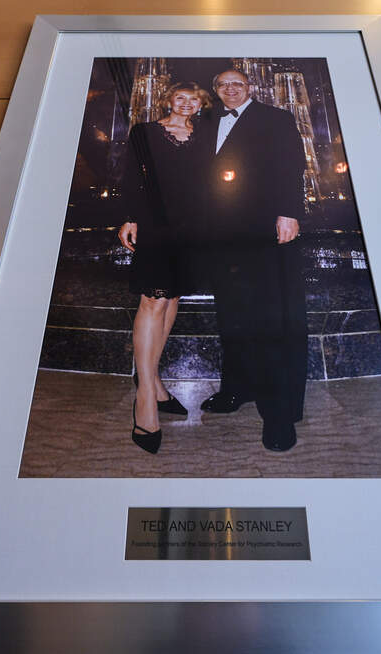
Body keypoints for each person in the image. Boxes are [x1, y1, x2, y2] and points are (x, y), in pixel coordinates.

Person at [198, 69, 308, 452]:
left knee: (273, 320)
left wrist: (289, 212)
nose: (230, 89)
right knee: (232, 315)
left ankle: (280, 414)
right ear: (215, 91)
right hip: (222, 236)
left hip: (266, 231)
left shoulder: (276, 119)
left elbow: (293, 168)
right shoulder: (205, 120)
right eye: (223, 84)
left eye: (237, 84)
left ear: (250, 88)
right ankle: (236, 390)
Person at [117, 82, 212, 454]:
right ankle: (144, 400)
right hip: (155, 223)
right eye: (181, 97)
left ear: (200, 105)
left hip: (192, 226)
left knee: (172, 299)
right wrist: (128, 217)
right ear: (169, 99)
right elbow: (131, 178)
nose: (187, 103)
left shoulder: (204, 136)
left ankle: (155, 384)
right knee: (153, 300)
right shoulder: (145, 132)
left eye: (195, 99)